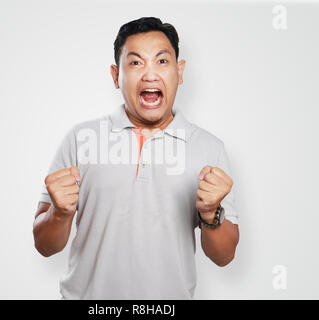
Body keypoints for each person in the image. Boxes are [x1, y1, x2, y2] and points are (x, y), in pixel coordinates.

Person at [33, 17, 239, 300]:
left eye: (162, 62)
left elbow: (224, 256)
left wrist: (210, 213)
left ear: (180, 71)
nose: (150, 75)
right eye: (136, 63)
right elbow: (44, 245)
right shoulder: (81, 139)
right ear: (116, 75)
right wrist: (59, 214)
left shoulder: (208, 147)